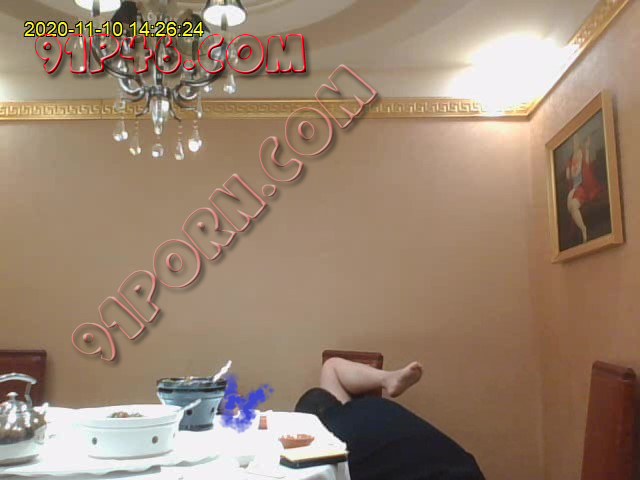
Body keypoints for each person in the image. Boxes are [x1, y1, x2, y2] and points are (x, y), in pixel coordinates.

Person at [295, 358, 485, 480]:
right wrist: (386, 379)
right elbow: (332, 366)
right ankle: (388, 379)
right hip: (465, 468)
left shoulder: (329, 447)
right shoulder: (370, 406)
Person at [566, 134, 603, 243]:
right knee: (569, 206)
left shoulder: (582, 152)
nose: (575, 143)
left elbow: (587, 165)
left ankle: (583, 229)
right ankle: (582, 228)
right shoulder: (570, 160)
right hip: (574, 188)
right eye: (573, 141)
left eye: (576, 140)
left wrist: (587, 148)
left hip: (582, 187)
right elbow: (569, 177)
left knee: (573, 205)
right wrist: (571, 170)